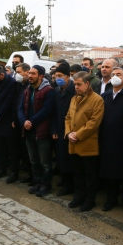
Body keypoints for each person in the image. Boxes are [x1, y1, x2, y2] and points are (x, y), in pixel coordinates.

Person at [65, 71, 105, 212]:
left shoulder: (97, 100)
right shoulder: (73, 99)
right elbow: (68, 118)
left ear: (87, 84)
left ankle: (90, 200)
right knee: (78, 173)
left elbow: (94, 122)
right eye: (74, 84)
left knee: (90, 175)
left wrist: (79, 134)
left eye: (79, 84)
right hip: (74, 142)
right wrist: (69, 133)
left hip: (88, 143)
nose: (76, 87)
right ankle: (79, 196)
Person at [99, 67, 123, 213]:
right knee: (109, 173)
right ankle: (111, 199)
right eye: (113, 75)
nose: (114, 77)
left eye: (118, 74)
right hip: (107, 139)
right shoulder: (105, 95)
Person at [18, 65, 55, 196]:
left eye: (33, 73)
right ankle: (37, 182)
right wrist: (24, 121)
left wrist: (31, 122)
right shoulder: (28, 90)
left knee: (44, 161)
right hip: (28, 130)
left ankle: (46, 185)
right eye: (29, 73)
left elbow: (46, 110)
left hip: (41, 130)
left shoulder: (48, 90)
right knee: (33, 160)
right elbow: (21, 108)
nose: (30, 76)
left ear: (41, 76)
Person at [51, 63, 76, 197]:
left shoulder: (74, 90)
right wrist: (53, 128)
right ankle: (66, 183)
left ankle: (73, 185)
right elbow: (53, 112)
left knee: (71, 159)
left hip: (72, 130)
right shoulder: (56, 90)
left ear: (67, 77)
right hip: (59, 130)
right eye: (56, 76)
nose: (57, 79)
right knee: (61, 158)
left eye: (60, 76)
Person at [9, 62, 31, 184]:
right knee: (15, 149)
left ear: (27, 72)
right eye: (16, 72)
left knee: (26, 151)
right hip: (16, 122)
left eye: (19, 72)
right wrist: (14, 119)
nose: (16, 75)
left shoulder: (29, 86)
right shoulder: (18, 85)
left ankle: (30, 174)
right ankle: (14, 172)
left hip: (26, 123)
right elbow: (15, 104)